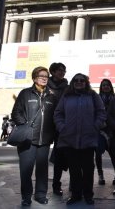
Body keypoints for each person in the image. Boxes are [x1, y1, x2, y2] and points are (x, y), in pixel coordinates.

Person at [54, 73, 107, 205]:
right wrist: (62, 127)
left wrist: (95, 125)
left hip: (88, 139)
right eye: (76, 80)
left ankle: (88, 195)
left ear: (86, 82)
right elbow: (58, 113)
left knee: (88, 169)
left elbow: (101, 112)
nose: (79, 82)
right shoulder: (66, 96)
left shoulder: (93, 96)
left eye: (82, 80)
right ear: (72, 82)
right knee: (74, 170)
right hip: (69, 139)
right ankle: (76, 195)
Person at [11, 67, 57, 206]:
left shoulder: (52, 95)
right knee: (26, 170)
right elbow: (16, 113)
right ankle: (26, 197)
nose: (44, 78)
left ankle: (41, 195)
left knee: (42, 170)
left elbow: (56, 116)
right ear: (34, 77)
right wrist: (25, 126)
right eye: (41, 75)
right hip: (27, 139)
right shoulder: (26, 93)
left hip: (45, 140)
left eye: (46, 76)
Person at [47, 62, 69, 196]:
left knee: (60, 156)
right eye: (59, 70)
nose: (62, 72)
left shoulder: (68, 88)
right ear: (53, 72)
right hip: (46, 125)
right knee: (40, 156)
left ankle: (56, 184)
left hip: (61, 126)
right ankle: (41, 185)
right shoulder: (44, 86)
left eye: (64, 70)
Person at [96, 78, 115, 186]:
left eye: (107, 85)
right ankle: (100, 175)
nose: (105, 87)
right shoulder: (96, 98)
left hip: (112, 130)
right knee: (98, 152)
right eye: (103, 85)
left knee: (114, 154)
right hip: (100, 130)